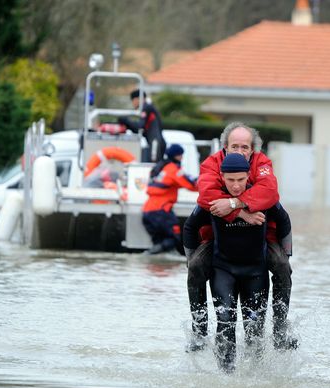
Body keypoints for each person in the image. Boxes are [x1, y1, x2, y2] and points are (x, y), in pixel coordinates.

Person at [187, 121, 297, 352]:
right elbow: (206, 196)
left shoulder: (262, 163)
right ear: (224, 148)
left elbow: (270, 192)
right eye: (234, 146)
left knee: (282, 266)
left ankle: (280, 330)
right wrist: (242, 213)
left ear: (253, 149)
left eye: (244, 147)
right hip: (216, 236)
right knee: (195, 265)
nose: (240, 152)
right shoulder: (211, 163)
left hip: (262, 235)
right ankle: (199, 331)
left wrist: (235, 203)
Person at [142, 144, 197, 255]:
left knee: (160, 243)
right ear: (176, 156)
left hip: (148, 211)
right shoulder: (174, 169)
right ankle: (148, 255)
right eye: (181, 155)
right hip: (161, 211)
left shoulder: (159, 168)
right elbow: (192, 185)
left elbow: (169, 184)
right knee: (174, 239)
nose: (182, 158)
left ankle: (157, 269)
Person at [118, 90, 167, 162]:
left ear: (138, 99)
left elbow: (139, 126)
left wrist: (126, 120)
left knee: (153, 164)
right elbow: (140, 130)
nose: (133, 103)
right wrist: (128, 125)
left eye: (133, 100)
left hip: (155, 142)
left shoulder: (146, 107)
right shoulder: (149, 107)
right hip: (156, 142)